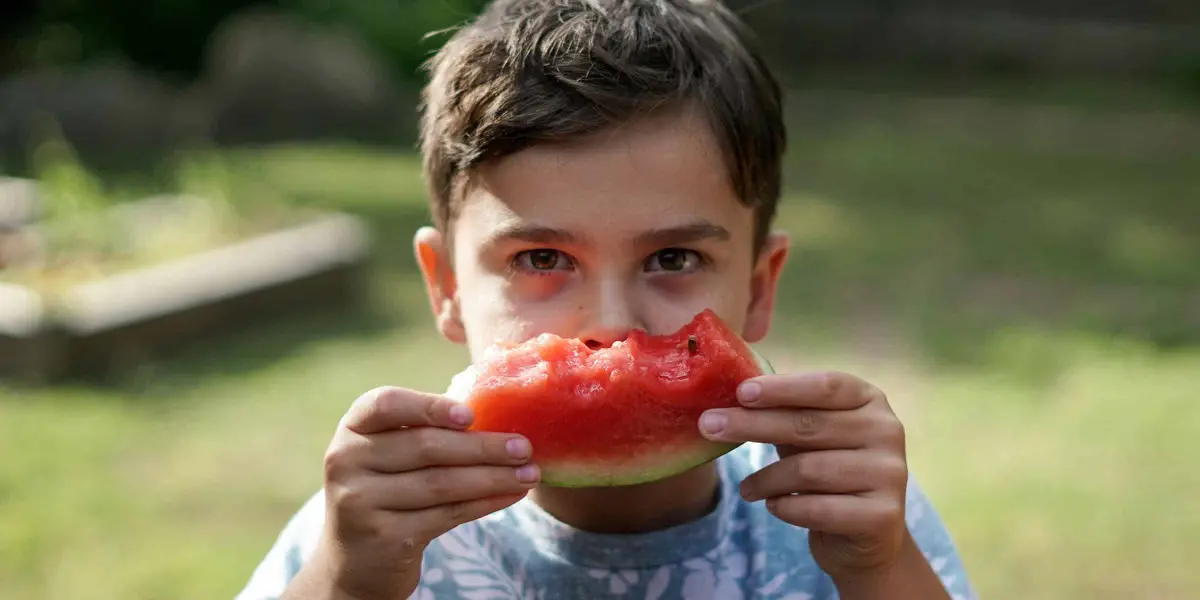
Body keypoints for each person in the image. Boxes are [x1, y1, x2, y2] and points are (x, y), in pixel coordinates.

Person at [235, 0, 977, 598]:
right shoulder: (371, 531)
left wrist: (880, 574)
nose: (613, 325)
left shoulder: (846, 522)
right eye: (543, 258)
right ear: (448, 287)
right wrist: (346, 584)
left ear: (758, 287)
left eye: (674, 257)